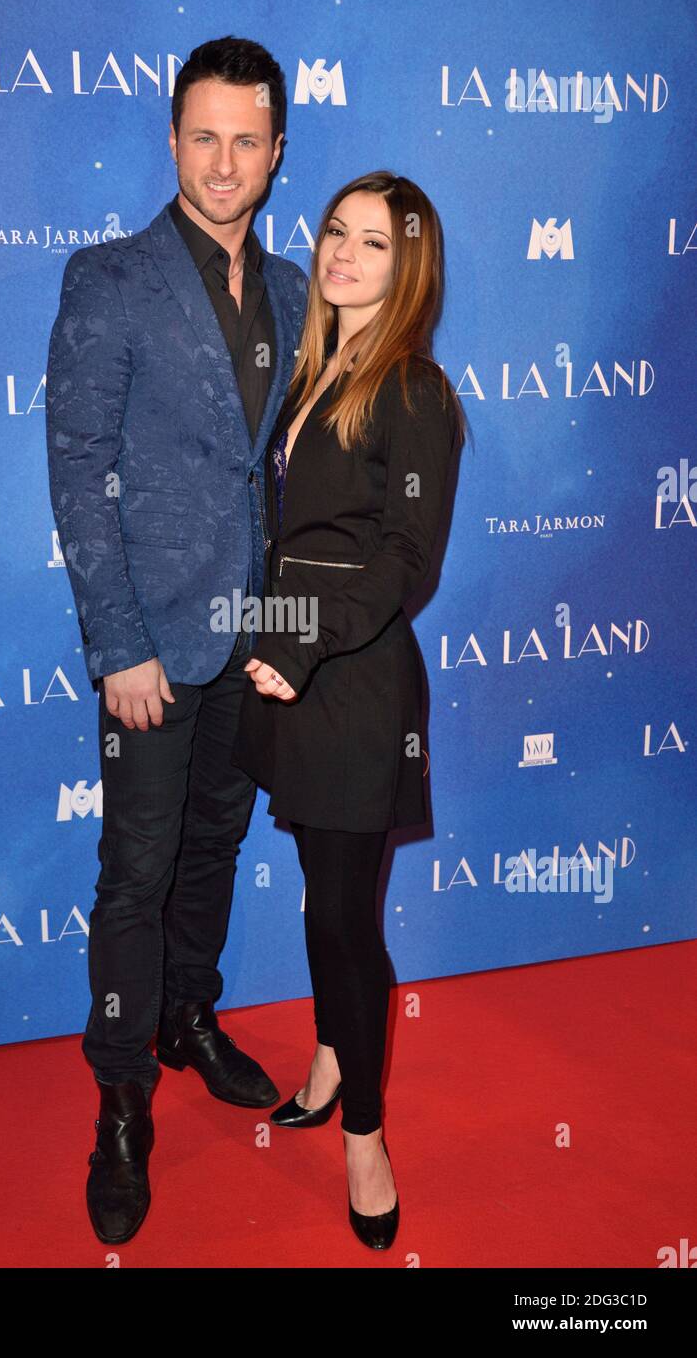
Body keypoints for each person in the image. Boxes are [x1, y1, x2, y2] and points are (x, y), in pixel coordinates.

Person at [45, 36, 309, 1245]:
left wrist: (293, 629)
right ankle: (120, 1094)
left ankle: (191, 1015)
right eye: (201, 135)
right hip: (150, 647)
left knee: (214, 841)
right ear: (170, 140)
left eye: (245, 140)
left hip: (251, 640)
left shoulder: (302, 291)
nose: (222, 161)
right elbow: (78, 472)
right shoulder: (109, 279)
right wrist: (117, 644)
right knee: (135, 871)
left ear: (273, 154)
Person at [231, 171, 465, 1250]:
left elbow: (404, 564)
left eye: (372, 242)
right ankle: (331, 1053)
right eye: (334, 232)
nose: (342, 254)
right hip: (293, 674)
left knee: (340, 918)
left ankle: (363, 1137)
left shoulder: (411, 387)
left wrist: (297, 641)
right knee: (319, 894)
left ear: (405, 265)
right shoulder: (315, 370)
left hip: (354, 683)